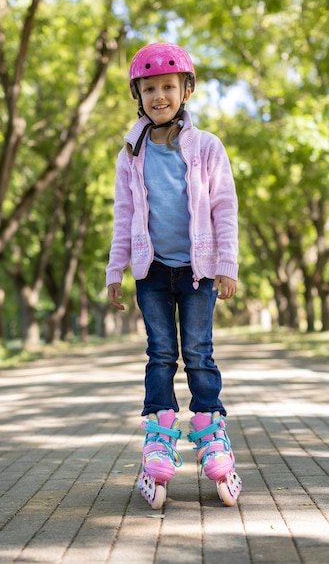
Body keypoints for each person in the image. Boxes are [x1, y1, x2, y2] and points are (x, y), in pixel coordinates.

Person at [105, 42, 242, 509]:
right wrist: (114, 270)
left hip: (199, 272)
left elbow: (225, 207)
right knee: (161, 354)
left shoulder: (207, 147)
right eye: (149, 89)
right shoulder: (130, 152)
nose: (159, 96)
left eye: (168, 86)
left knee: (199, 353)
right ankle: (159, 437)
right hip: (152, 271)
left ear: (186, 90)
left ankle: (210, 429)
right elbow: (124, 215)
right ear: (137, 95)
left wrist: (227, 265)